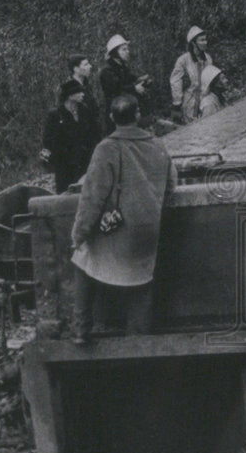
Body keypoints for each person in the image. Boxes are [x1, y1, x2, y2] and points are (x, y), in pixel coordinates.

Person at [69, 94, 176, 345]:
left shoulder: (106, 148)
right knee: (142, 275)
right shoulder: (158, 145)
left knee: (82, 256)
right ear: (138, 115)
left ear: (111, 118)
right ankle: (138, 335)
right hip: (148, 230)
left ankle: (80, 329)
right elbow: (171, 186)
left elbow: (91, 199)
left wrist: (78, 235)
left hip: (119, 232)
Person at [40, 79, 100, 193]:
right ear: (70, 95)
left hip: (85, 160)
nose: (83, 94)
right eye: (79, 92)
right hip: (65, 163)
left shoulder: (85, 110)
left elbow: (95, 133)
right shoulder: (55, 115)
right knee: (65, 193)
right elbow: (49, 140)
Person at [169, 26, 231, 122]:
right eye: (201, 40)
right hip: (191, 99)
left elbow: (211, 77)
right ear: (194, 43)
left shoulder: (208, 58)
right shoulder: (183, 60)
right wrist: (177, 102)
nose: (205, 42)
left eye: (205, 40)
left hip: (207, 94)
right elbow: (175, 81)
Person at [99, 34, 152, 133]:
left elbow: (132, 78)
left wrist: (142, 81)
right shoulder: (107, 72)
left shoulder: (122, 67)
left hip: (127, 110)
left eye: (127, 49)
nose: (127, 52)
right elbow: (117, 89)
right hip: (118, 113)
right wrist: (134, 88)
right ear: (115, 53)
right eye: (123, 50)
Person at [67, 54, 102, 134]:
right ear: (76, 69)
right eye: (85, 64)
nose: (90, 66)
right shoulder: (69, 88)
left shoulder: (87, 85)